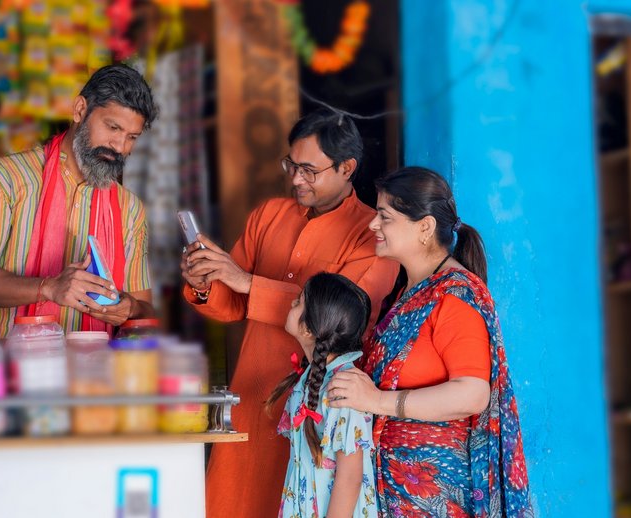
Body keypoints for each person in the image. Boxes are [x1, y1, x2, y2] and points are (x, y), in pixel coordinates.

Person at [181, 109, 398, 518]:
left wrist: (247, 281)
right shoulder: (270, 215)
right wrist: (204, 279)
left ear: (347, 168)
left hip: (320, 409)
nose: (296, 179)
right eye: (291, 166)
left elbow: (348, 315)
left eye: (309, 171)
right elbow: (230, 305)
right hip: (252, 396)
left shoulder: (373, 233)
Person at [325, 167, 533, 516]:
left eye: (385, 217)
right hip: (392, 487)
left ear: (424, 227)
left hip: (434, 496)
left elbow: (472, 393)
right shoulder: (406, 293)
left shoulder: (454, 295)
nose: (373, 225)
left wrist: (377, 400)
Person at [0, 64, 158, 338]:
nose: (120, 146)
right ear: (79, 110)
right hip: (11, 371)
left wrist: (129, 308)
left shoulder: (129, 209)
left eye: (131, 137)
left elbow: (144, 308)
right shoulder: (5, 179)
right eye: (113, 127)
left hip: (92, 375)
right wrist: (49, 287)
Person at [266, 273, 377, 518]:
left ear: (308, 329)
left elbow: (350, 477)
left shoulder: (343, 387)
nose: (291, 304)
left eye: (298, 302)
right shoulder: (310, 377)